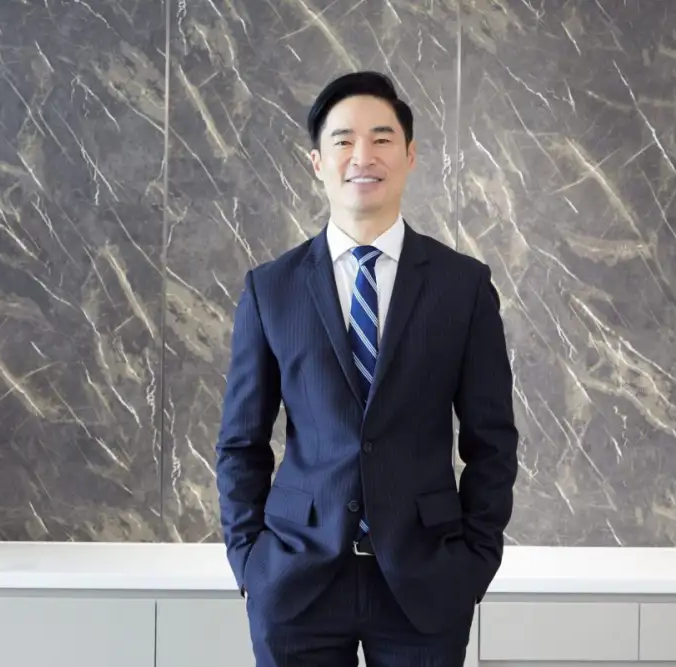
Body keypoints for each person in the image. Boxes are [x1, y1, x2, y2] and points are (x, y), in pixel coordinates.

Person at [215, 71, 520, 667]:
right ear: (317, 162)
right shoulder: (271, 289)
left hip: (425, 582)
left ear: (410, 156)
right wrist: (250, 564)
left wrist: (474, 563)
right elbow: (240, 443)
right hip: (296, 580)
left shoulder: (463, 286)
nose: (363, 156)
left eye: (382, 139)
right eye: (343, 141)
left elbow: (492, 441)